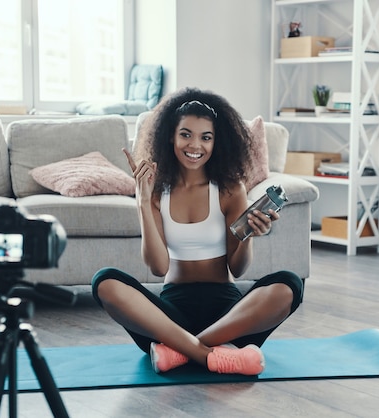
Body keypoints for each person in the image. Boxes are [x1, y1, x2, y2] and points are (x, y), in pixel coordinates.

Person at [91, 87, 303, 375]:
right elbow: (158, 267)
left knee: (289, 284)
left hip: (228, 315)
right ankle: (210, 354)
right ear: (171, 136)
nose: (195, 145)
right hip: (169, 317)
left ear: (217, 142)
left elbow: (238, 269)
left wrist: (249, 235)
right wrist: (142, 200)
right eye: (186, 134)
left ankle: (181, 351)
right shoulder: (156, 192)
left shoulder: (230, 189)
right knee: (104, 282)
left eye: (206, 137)